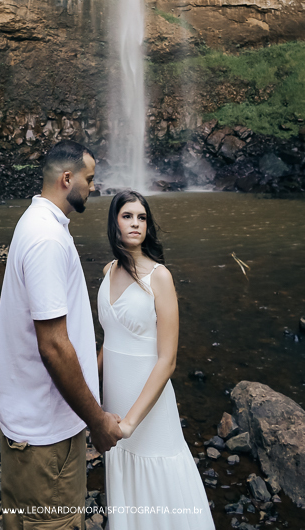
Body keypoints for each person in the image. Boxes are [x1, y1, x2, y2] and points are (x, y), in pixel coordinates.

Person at [0, 140, 123, 530]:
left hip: (31, 427)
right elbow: (52, 345)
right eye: (90, 179)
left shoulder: (36, 223)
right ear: (67, 179)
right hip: (46, 440)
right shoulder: (47, 239)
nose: (94, 187)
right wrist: (97, 421)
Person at [97, 189, 215, 529]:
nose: (136, 223)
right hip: (114, 400)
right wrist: (85, 387)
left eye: (142, 217)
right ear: (114, 222)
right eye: (127, 216)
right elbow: (109, 340)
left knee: (160, 480)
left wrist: (130, 422)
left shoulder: (159, 277)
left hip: (148, 407)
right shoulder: (108, 270)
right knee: (126, 483)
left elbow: (168, 359)